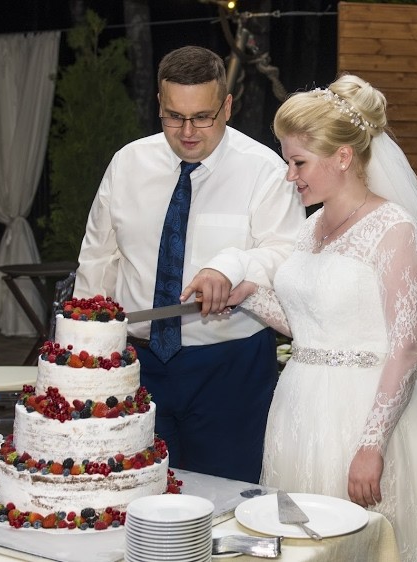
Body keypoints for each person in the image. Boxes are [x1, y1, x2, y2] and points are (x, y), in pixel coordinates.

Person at [222, 75, 417, 560]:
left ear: (342, 157)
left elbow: (407, 346)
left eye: (298, 162)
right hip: (299, 411)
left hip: (368, 416)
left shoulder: (394, 229)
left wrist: (372, 444)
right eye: (288, 161)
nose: (290, 176)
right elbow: (311, 327)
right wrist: (248, 295)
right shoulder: (311, 228)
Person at [74, 46, 304, 484]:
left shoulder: (265, 170)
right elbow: (99, 257)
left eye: (202, 117)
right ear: (159, 104)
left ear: (227, 107)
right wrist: (84, 348)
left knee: (226, 495)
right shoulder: (127, 163)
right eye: (174, 116)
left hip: (230, 368)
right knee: (135, 494)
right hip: (136, 365)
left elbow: (287, 253)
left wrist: (232, 267)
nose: (187, 131)